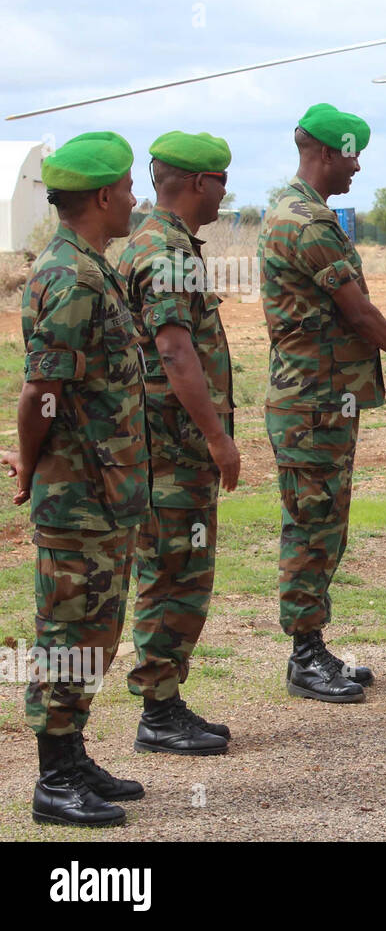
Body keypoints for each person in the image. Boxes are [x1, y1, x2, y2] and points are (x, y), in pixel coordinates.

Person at [258, 104, 386, 703]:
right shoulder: (307, 223)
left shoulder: (299, 212)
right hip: (311, 400)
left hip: (323, 397)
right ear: (327, 152)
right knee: (313, 527)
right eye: (353, 154)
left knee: (325, 523)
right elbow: (357, 309)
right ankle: (305, 656)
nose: (358, 166)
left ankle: (312, 647)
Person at [7, 132, 147, 825]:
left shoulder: (93, 267)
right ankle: (52, 779)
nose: (133, 198)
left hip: (104, 492)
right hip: (77, 493)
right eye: (125, 188)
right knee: (68, 630)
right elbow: (40, 392)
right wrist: (31, 465)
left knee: (95, 627)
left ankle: (75, 756)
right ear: (100, 196)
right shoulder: (70, 276)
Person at [115, 131, 238, 756]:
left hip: (162, 441)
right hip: (174, 445)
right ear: (197, 183)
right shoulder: (165, 251)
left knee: (173, 565)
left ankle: (164, 701)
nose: (224, 192)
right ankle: (158, 710)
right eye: (220, 181)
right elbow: (172, 348)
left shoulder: (155, 242)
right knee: (174, 570)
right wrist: (217, 437)